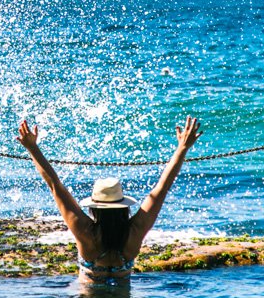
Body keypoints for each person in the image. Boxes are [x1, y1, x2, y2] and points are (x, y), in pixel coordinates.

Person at [17, 115, 202, 282]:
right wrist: (182, 148)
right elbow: (162, 188)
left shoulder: (85, 232)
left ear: (94, 207)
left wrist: (32, 147)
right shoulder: (134, 232)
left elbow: (55, 185)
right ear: (124, 206)